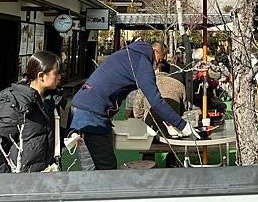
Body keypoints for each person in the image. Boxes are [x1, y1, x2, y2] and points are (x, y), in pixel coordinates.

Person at [70, 40, 197, 170]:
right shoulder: (142, 62)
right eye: (161, 59)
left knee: (91, 163)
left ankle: (90, 187)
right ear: (155, 51)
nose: (159, 63)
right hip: (93, 112)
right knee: (105, 167)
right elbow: (156, 101)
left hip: (82, 105)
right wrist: (183, 125)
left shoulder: (128, 54)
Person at [0, 51, 62, 173]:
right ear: (41, 76)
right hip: (21, 183)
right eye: (56, 73)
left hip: (41, 179)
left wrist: (68, 135)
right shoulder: (18, 104)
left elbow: (42, 133)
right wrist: (5, 181)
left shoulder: (48, 101)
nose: (60, 77)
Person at [134, 60, 186, 134]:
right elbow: (183, 110)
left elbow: (137, 112)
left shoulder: (146, 84)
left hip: (151, 132)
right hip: (173, 131)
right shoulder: (179, 85)